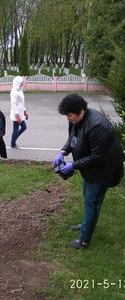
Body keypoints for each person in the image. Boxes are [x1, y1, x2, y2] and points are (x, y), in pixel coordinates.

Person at [53, 94, 124, 249]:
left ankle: (84, 240)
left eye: (70, 115)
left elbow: (97, 156)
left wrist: (74, 165)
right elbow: (73, 138)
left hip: (105, 169)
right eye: (67, 115)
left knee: (92, 201)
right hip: (91, 168)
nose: (68, 119)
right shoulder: (76, 120)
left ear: (81, 110)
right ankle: (86, 224)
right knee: (87, 196)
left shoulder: (97, 125)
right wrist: (63, 152)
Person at [10, 76, 28, 149]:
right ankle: (13, 143)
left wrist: (25, 111)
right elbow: (13, 105)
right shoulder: (14, 92)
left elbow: (21, 103)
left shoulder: (20, 90)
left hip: (20, 113)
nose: (23, 83)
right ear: (18, 83)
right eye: (21, 82)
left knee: (23, 127)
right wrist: (17, 116)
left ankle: (13, 141)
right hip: (16, 114)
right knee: (19, 128)